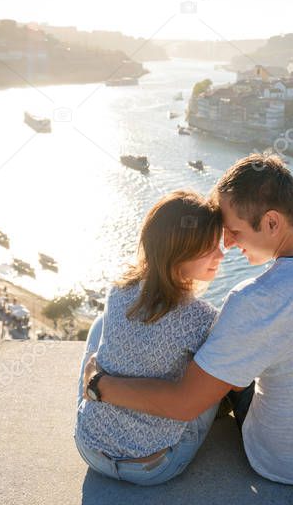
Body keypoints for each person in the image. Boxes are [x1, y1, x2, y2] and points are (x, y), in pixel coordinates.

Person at [84, 154, 293, 487]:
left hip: (281, 462)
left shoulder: (251, 301)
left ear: (272, 222)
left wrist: (99, 384)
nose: (228, 244)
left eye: (233, 231)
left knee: (226, 358)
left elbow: (185, 403)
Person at [74, 190, 226, 486]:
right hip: (153, 467)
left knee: (100, 325)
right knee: (215, 368)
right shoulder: (202, 318)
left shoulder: (118, 291)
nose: (221, 254)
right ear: (178, 252)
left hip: (89, 449)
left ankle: (92, 392)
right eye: (210, 247)